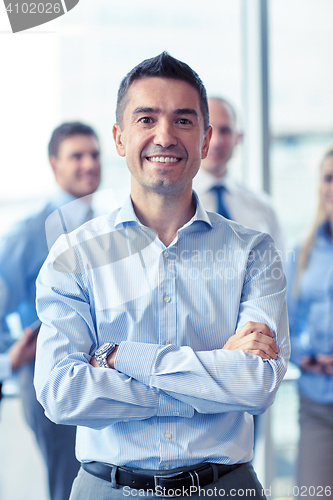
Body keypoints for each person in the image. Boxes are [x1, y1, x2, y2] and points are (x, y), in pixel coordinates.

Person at [34, 52, 290, 500]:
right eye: (146, 118)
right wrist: (209, 376)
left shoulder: (254, 252)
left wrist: (122, 357)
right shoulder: (73, 256)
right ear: (119, 137)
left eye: (184, 121)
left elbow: (256, 384)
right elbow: (61, 392)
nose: (165, 136)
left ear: (206, 139)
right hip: (107, 488)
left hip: (226, 489)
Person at [0, 121, 101, 500]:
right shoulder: (28, 233)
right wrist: (11, 352)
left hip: (102, 374)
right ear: (54, 165)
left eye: (94, 154)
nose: (89, 164)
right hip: (48, 376)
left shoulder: (113, 227)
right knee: (67, 483)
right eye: (77, 156)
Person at [286, 148, 333, 498]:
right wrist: (306, 356)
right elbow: (283, 325)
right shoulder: (299, 254)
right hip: (316, 403)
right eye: (328, 178)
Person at [193, 97, 284, 254]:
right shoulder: (172, 206)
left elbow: (280, 270)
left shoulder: (263, 207)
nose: (215, 142)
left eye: (225, 131)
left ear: (238, 138)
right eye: (207, 130)